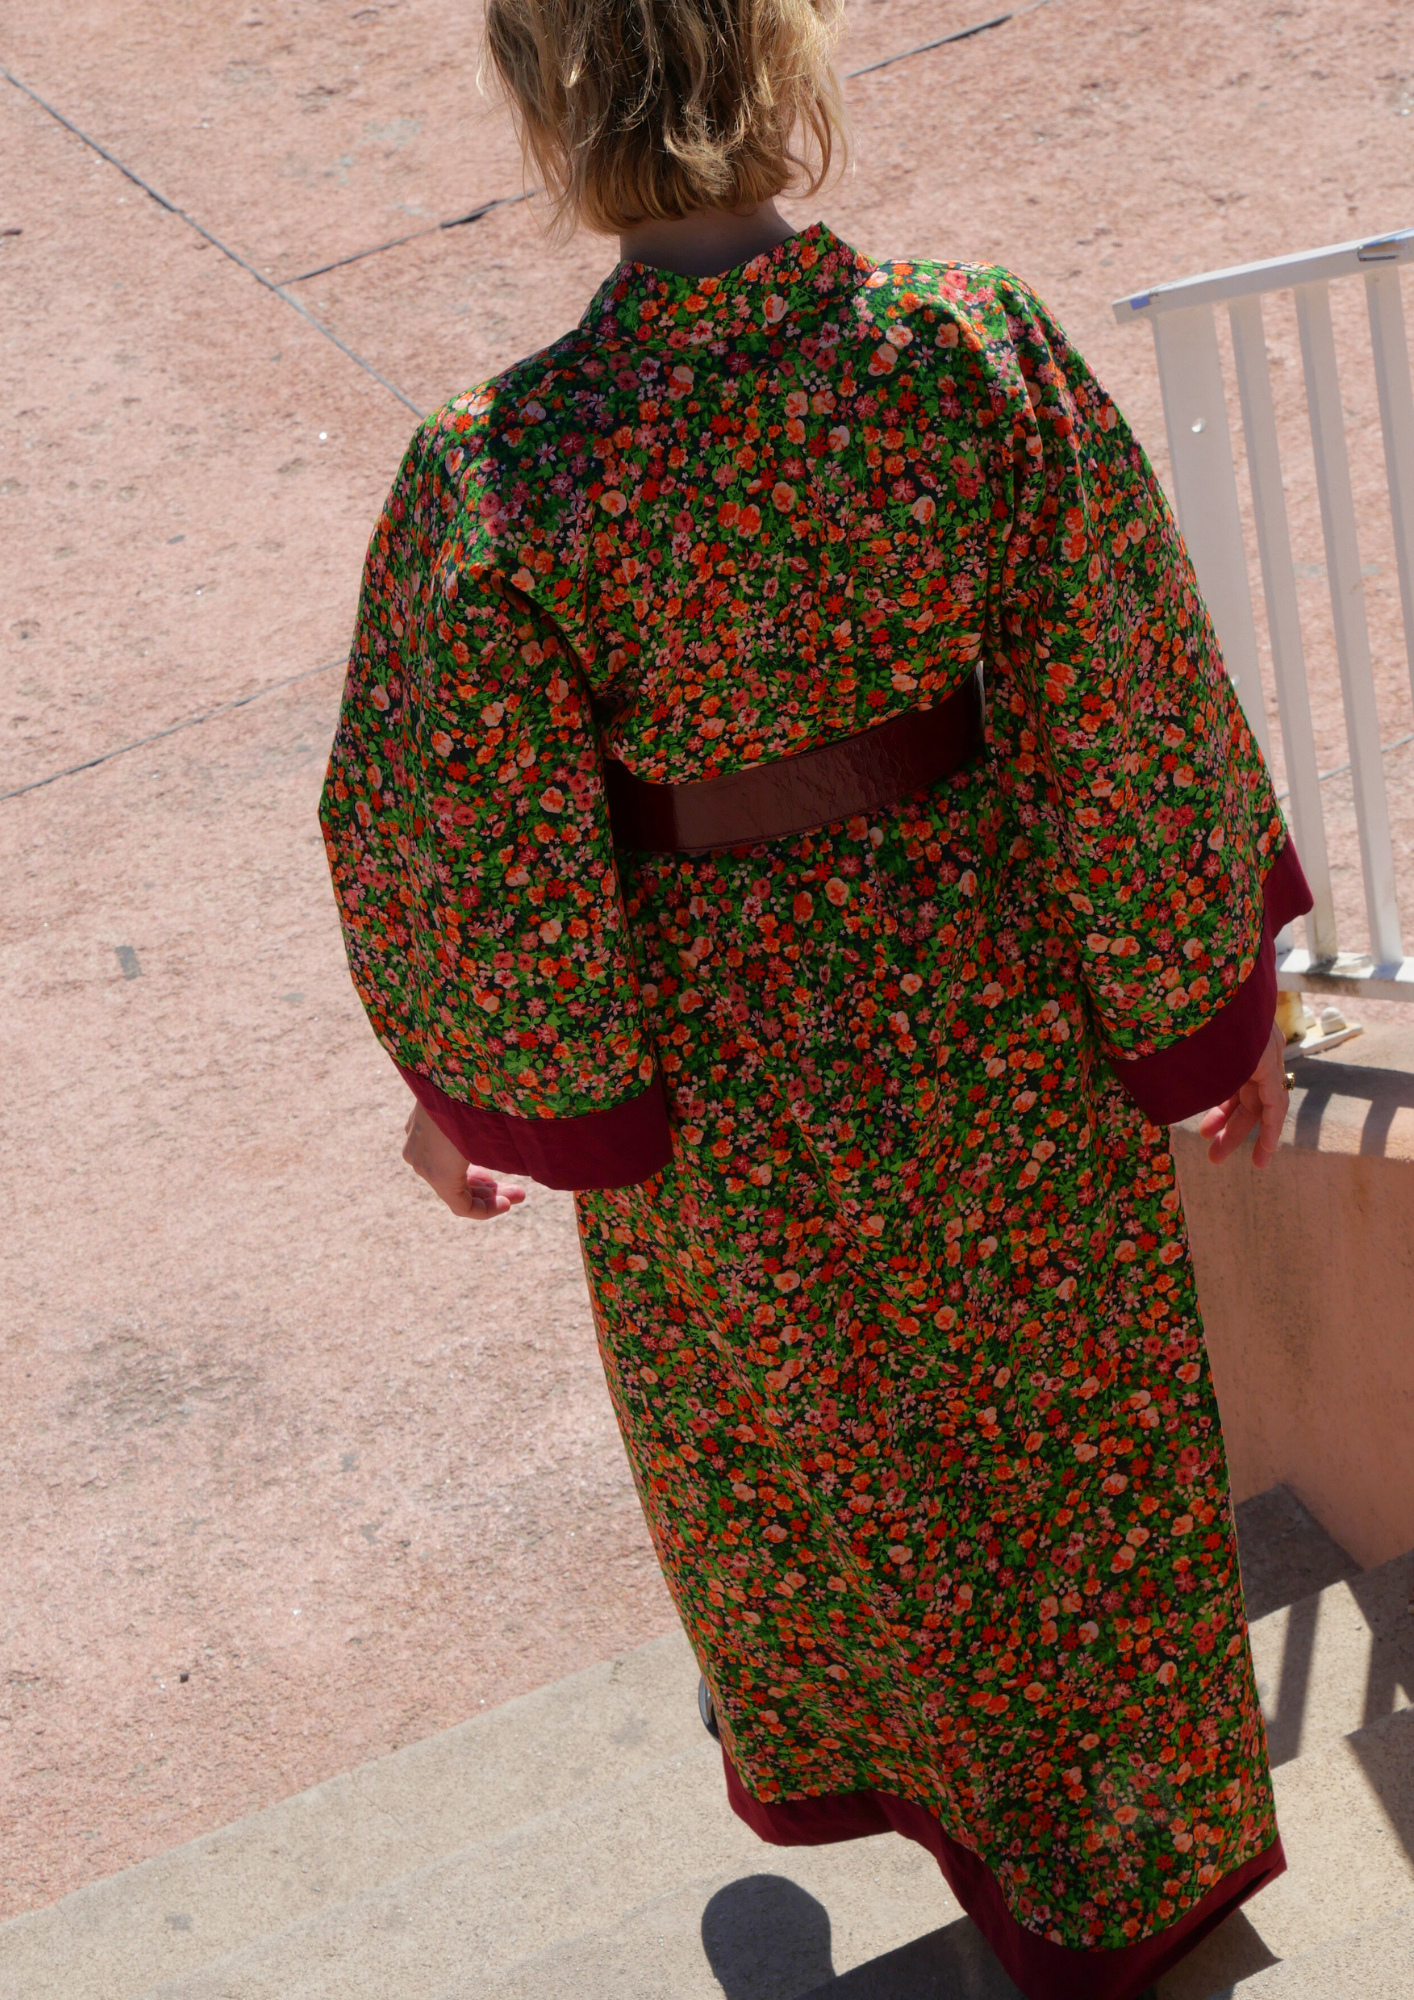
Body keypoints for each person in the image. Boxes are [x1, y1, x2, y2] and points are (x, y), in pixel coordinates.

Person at [318, 0, 1311, 1991]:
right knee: (1064, 1452)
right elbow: (1116, 698)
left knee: (830, 1462)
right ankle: (1107, 1877)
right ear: (791, 70)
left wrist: (482, 1094)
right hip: (1001, 1012)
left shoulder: (504, 467)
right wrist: (1211, 997)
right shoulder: (965, 347)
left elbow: (469, 836)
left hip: (728, 1086)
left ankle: (961, 1834)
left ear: (542, 115)